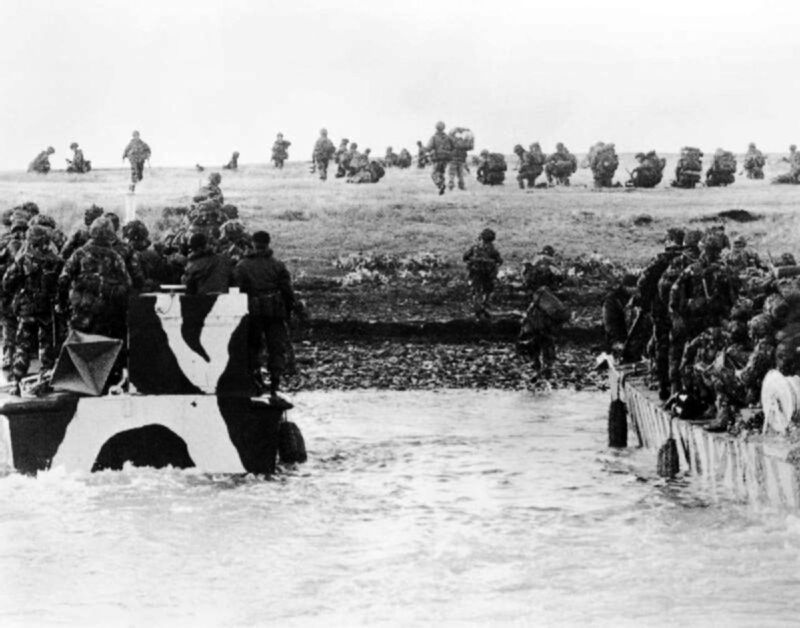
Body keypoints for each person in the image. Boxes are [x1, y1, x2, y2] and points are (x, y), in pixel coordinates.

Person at [233, 231, 295, 400]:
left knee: (253, 347)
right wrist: (290, 310)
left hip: (252, 312)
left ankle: (256, 382)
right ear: (269, 243)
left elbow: (237, 290)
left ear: (252, 243)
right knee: (276, 347)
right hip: (275, 312)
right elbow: (287, 292)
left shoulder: (242, 266)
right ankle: (275, 386)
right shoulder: (278, 265)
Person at [2, 225, 63, 387]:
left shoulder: (23, 259)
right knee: (47, 345)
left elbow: (8, 282)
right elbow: (62, 284)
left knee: (23, 345)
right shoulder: (56, 260)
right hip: (47, 310)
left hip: (26, 309)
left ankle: (16, 378)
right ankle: (46, 377)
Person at [57, 217, 131, 339]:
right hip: (108, 316)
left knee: (79, 351)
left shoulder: (79, 254)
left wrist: (62, 304)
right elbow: (127, 285)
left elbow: (63, 279)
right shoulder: (116, 257)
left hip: (81, 312)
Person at [463, 228, 503, 320]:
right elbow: (499, 261)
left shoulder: (474, 248)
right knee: (487, 291)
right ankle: (484, 307)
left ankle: (478, 309)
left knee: (476, 291)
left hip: (475, 273)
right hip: (488, 274)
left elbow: (465, 257)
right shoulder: (492, 250)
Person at [425, 121, 453, 195]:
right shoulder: (448, 138)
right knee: (441, 173)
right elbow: (453, 147)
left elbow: (428, 148)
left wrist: (425, 151)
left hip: (438, 158)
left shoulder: (434, 137)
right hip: (446, 159)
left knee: (433, 174)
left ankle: (440, 185)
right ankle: (442, 188)